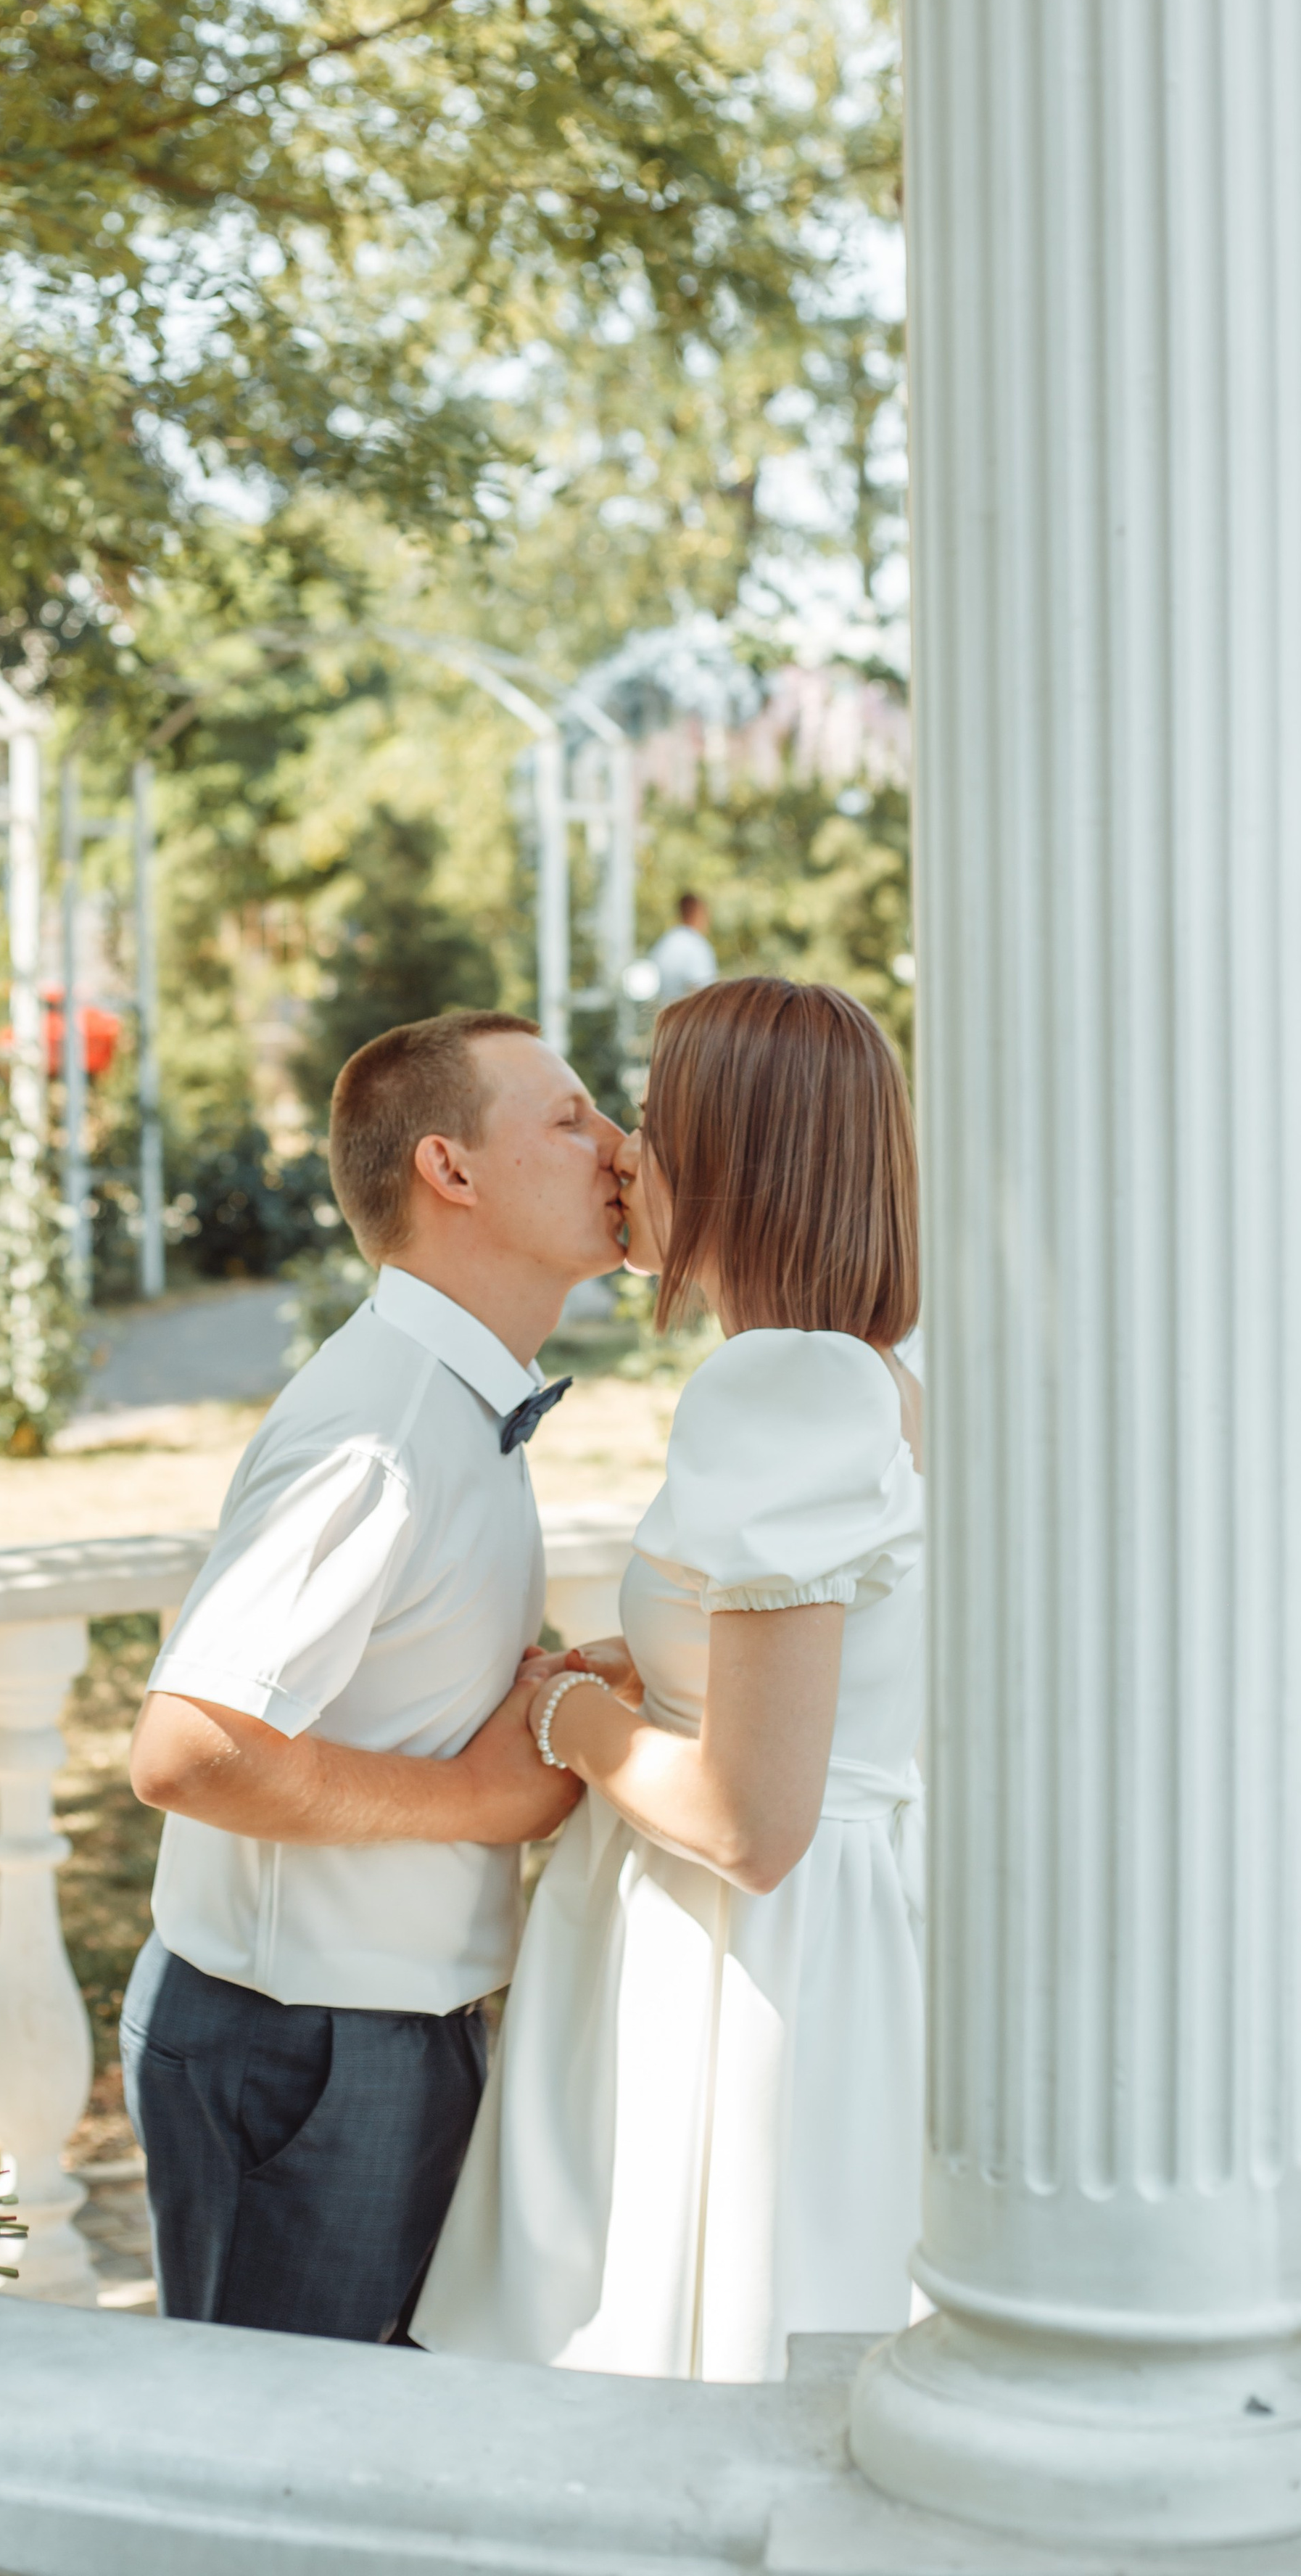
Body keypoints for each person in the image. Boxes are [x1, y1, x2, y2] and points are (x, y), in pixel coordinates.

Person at [414, 977, 925, 2382]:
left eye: (649, 1119)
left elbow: (751, 1825)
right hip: (851, 1946)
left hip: (733, 1965)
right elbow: (836, 1653)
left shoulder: (781, 1394)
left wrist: (569, 1716)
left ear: (741, 1161)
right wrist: (660, 1663)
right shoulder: (882, 1372)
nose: (624, 1154)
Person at [123, 1011, 624, 2346]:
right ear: (451, 1169)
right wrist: (477, 1798)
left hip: (377, 2032)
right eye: (573, 1117)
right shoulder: (381, 1430)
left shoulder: (448, 1396)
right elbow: (185, 1745)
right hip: (306, 2052)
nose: (620, 1147)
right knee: (270, 2507)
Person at [646, 891, 719, 1004]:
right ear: (698, 913)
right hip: (690, 1017)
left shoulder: (665, 943)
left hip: (665, 1015)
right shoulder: (696, 945)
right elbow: (701, 991)